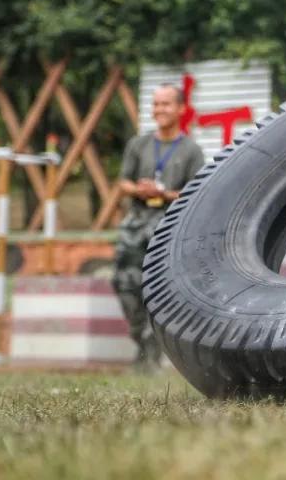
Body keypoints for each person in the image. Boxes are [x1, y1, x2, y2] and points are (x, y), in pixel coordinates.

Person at [113, 84, 205, 372]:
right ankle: (140, 341)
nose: (159, 110)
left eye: (165, 104)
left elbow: (196, 193)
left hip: (169, 227)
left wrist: (163, 193)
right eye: (155, 104)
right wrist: (139, 189)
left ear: (180, 109)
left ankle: (152, 353)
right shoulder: (138, 145)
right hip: (136, 224)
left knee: (160, 290)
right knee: (125, 284)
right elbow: (123, 182)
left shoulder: (191, 150)